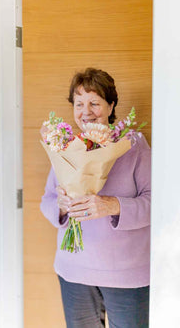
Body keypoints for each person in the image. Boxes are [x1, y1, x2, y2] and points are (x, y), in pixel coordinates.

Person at [40, 68, 151, 327]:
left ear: (111, 105)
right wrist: (61, 206)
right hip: (74, 270)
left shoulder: (134, 146)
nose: (86, 111)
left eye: (94, 103)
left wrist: (112, 205)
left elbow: (156, 203)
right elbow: (47, 199)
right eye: (79, 103)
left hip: (126, 274)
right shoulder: (64, 146)